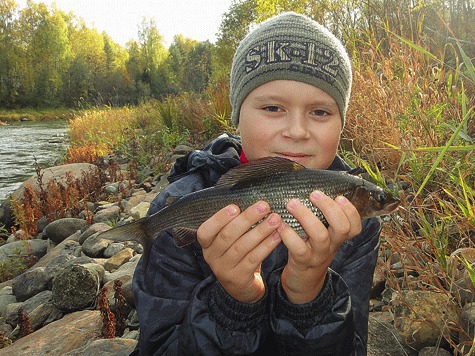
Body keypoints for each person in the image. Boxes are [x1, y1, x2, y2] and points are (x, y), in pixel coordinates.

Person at [132, 12, 381, 355]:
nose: (297, 131)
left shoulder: (355, 221)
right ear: (238, 117)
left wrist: (308, 294)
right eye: (273, 107)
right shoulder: (177, 207)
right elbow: (158, 348)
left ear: (341, 124)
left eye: (320, 112)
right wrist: (233, 301)